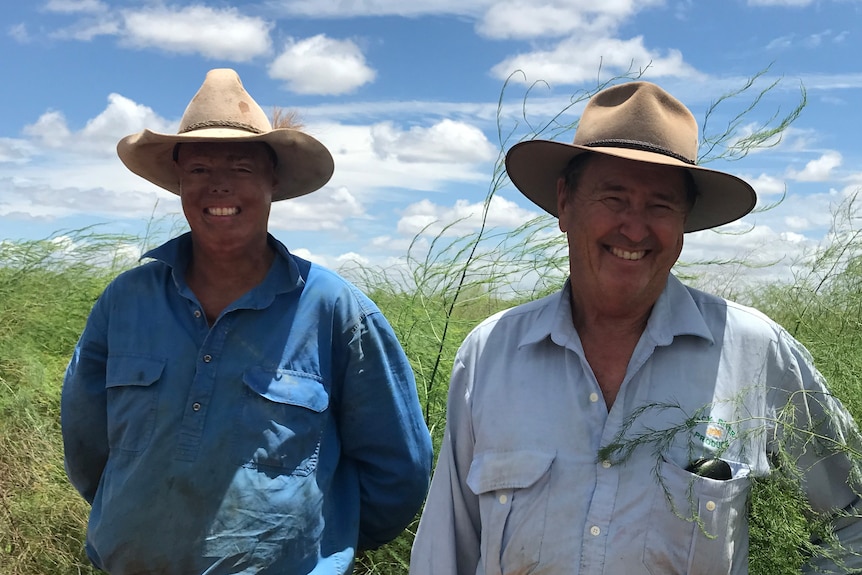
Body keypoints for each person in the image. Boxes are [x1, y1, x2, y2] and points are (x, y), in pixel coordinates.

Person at [410, 81, 862, 574]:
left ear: (684, 221)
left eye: (661, 205)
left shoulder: (755, 351)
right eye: (614, 197)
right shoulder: (490, 353)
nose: (634, 227)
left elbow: (853, 515)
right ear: (565, 203)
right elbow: (446, 549)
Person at [61, 68, 433, 575]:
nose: (218, 187)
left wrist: (326, 545)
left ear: (272, 180)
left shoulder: (335, 311)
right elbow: (88, 450)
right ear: (177, 181)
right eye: (197, 170)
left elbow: (398, 471)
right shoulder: (125, 303)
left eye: (240, 167)